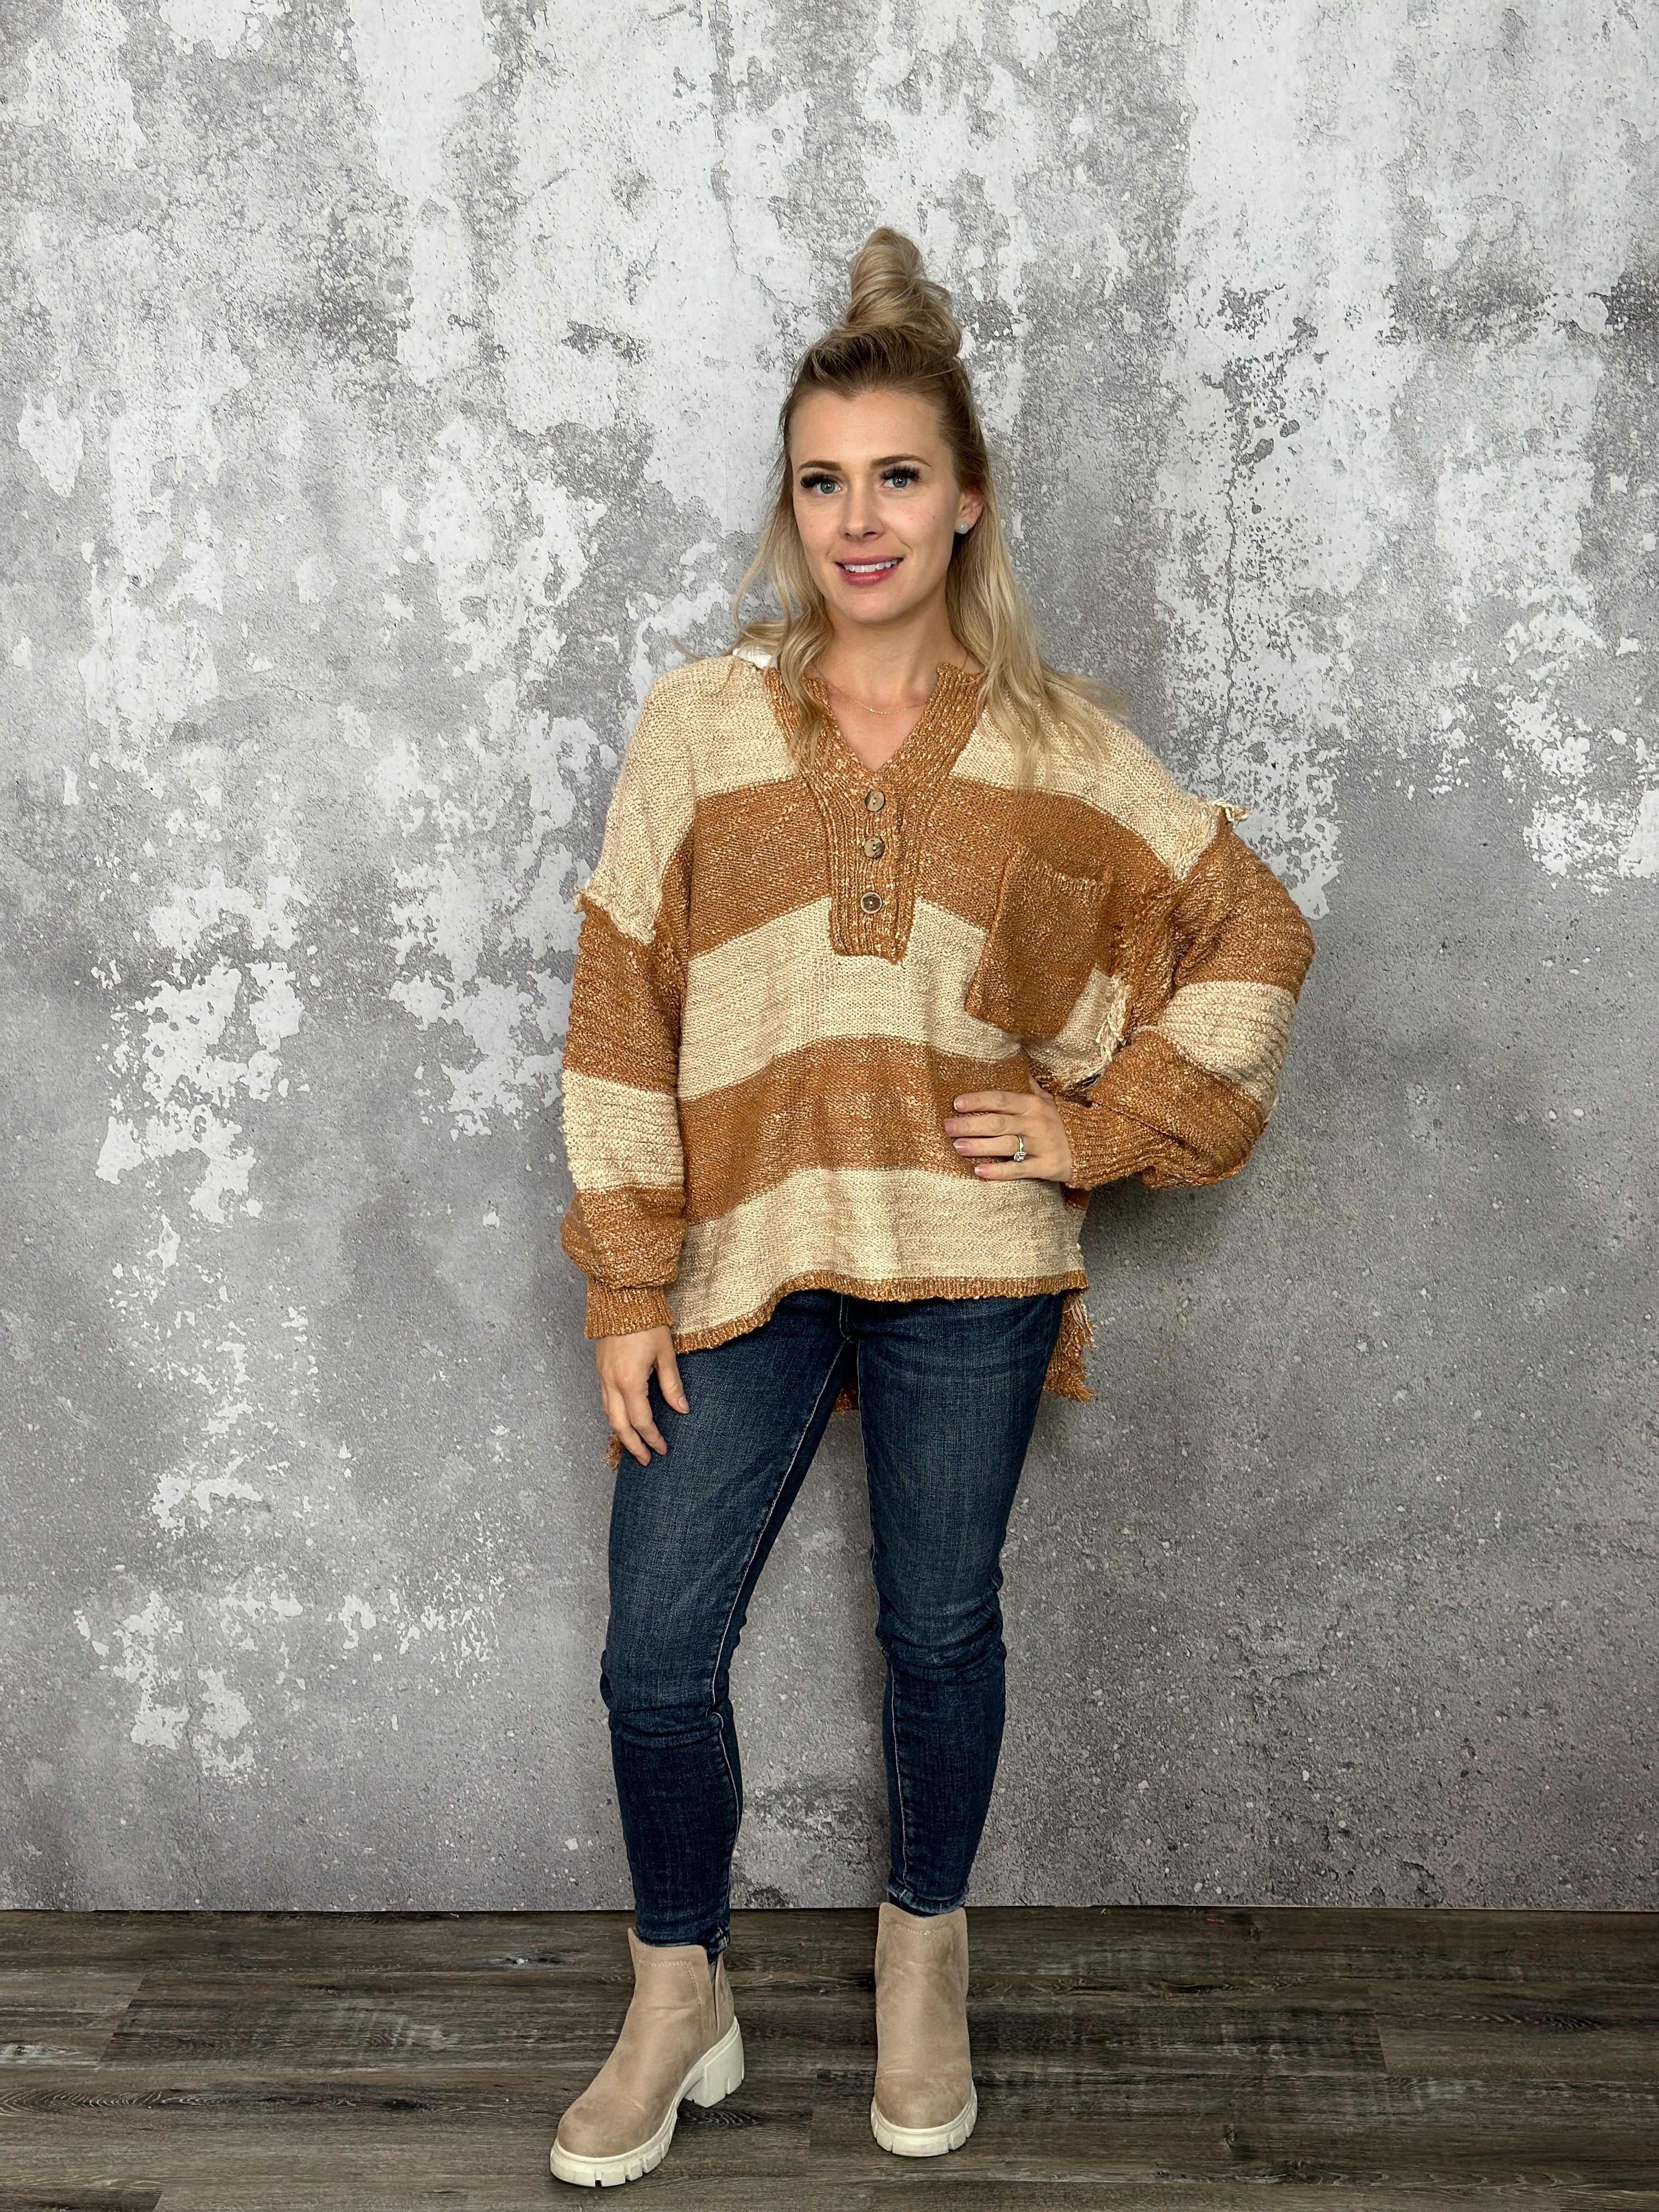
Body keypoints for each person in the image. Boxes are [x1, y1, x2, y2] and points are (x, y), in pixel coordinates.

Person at [548, 228, 1316, 2188]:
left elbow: (1251, 927)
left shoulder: (1059, 748)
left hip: (969, 1265)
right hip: (742, 1257)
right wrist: (627, 1281)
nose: (860, 520)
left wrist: (1098, 1126)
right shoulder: (699, 722)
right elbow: (621, 1001)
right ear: (790, 503)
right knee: (655, 1654)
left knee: (941, 1632)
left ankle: (924, 1966)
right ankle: (678, 1997)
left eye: (898, 476)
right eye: (824, 481)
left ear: (967, 497)